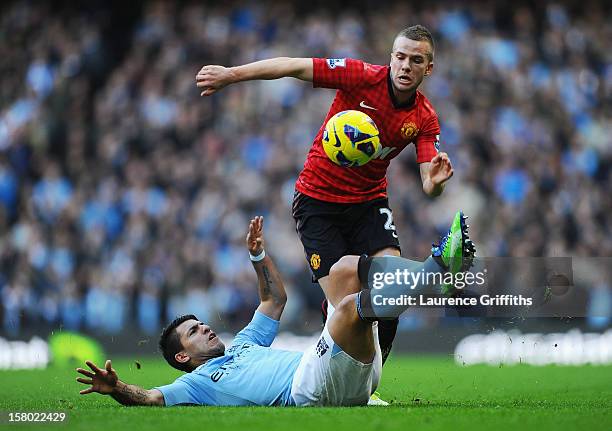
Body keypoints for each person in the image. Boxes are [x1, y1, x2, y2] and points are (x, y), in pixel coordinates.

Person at [195, 25, 454, 371]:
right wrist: (231, 75)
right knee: (349, 307)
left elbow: (429, 184)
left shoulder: (424, 118)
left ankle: (372, 378)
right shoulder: (359, 76)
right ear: (391, 58)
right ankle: (333, 321)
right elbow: (292, 66)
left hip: (368, 203)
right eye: (401, 57)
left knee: (389, 289)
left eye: (416, 60)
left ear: (429, 68)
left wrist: (436, 183)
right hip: (318, 204)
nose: (406, 66)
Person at [75, 212, 475, 407]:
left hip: (342, 376)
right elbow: (151, 398)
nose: (207, 329)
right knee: (350, 306)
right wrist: (117, 389)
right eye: (195, 332)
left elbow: (273, 300)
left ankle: (432, 277)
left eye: (202, 324)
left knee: (346, 271)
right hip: (310, 388)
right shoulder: (196, 384)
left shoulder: (243, 344)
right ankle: (434, 273)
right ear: (183, 356)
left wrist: (258, 255)